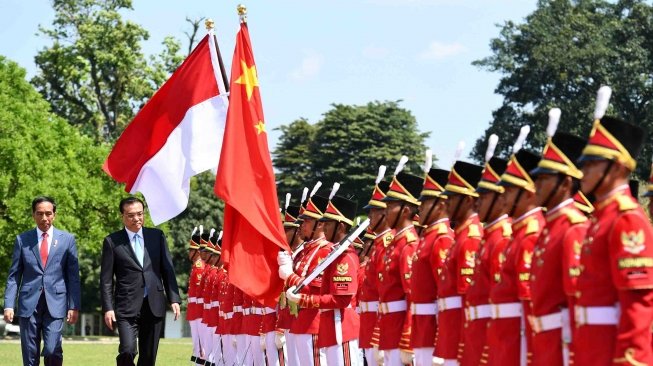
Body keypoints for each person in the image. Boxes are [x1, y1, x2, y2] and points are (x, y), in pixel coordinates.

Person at [575, 88, 653, 365]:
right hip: (590, 350)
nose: (582, 172)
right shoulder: (601, 218)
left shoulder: (627, 220)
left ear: (618, 167)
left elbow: (637, 304)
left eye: (592, 163)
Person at [529, 119, 589, 366]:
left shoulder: (573, 228)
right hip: (544, 341)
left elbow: (577, 298)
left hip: (563, 346)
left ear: (565, 183)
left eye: (544, 179)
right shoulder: (550, 226)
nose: (537, 185)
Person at [100, 196, 181, 366]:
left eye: (140, 214)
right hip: (126, 305)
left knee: (149, 356)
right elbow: (106, 279)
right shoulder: (112, 241)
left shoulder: (156, 236)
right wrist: (108, 308)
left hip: (154, 303)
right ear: (122, 216)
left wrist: (173, 298)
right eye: (131, 215)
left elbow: (167, 268)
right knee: (128, 350)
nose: (136, 218)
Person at [4, 196, 81, 366]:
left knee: (52, 349)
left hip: (56, 303)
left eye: (48, 213)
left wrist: (73, 305)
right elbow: (14, 275)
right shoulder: (22, 240)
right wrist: (9, 304)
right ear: (33, 215)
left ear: (54, 215)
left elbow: (73, 277)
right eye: (39, 214)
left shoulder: (67, 240)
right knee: (30, 355)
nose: (44, 218)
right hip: (28, 304)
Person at [490, 138, 544, 366]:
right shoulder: (518, 233)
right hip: (507, 335)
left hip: (521, 340)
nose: (503, 198)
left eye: (510, 191)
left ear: (529, 194)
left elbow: (528, 302)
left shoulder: (531, 234)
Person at [438, 161, 484, 366]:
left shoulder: (470, 237)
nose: (446, 202)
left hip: (462, 331)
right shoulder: (462, 234)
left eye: (452, 197)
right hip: (452, 328)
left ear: (467, 200)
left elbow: (467, 297)